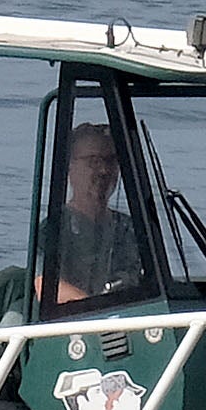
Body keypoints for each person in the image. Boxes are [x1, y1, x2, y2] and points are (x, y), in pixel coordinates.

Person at [46, 122, 149, 305]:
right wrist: (98, 312)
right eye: (93, 161)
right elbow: (45, 286)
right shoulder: (54, 229)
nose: (103, 170)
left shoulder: (130, 229)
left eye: (111, 161)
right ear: (70, 168)